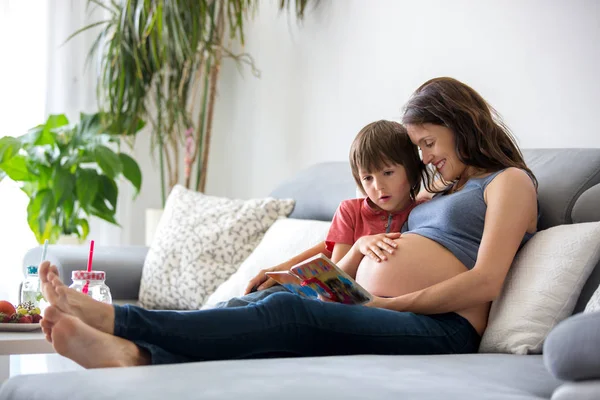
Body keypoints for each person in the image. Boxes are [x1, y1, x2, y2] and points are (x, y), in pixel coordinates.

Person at [38, 77, 538, 369]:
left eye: (429, 142)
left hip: (442, 329)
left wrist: (391, 301)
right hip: (381, 305)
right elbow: (363, 234)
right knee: (267, 300)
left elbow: (485, 280)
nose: (424, 156)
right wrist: (347, 270)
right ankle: (136, 355)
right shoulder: (435, 189)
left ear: (462, 123)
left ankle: (119, 320)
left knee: (293, 317)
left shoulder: (507, 182)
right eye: (420, 147)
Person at [217, 120, 424, 308]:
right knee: (252, 302)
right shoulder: (350, 211)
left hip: (360, 306)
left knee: (274, 305)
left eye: (388, 173)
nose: (378, 186)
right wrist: (360, 246)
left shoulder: (422, 214)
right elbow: (335, 276)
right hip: (319, 294)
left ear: (412, 171)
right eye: (367, 178)